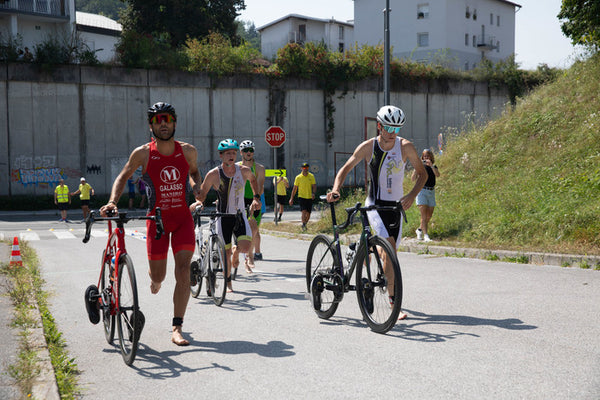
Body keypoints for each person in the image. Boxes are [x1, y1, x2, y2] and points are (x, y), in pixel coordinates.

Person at [100, 102, 202, 346]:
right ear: (151, 125)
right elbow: (123, 176)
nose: (163, 123)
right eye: (158, 120)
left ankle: (177, 327)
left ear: (174, 122)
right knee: (160, 276)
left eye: (167, 119)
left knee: (184, 270)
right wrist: (113, 201)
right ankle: (155, 279)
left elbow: (195, 172)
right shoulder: (143, 153)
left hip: (182, 219)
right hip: (156, 221)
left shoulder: (188, 151)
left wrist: (197, 188)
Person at [326, 105, 428, 320]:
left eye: (397, 129)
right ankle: (394, 304)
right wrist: (336, 189)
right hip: (374, 205)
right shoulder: (368, 147)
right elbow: (345, 168)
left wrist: (411, 195)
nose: (392, 133)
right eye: (388, 127)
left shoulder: (406, 147)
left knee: (390, 256)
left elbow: (422, 174)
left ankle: (359, 253)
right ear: (379, 126)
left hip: (396, 208)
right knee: (388, 252)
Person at [192, 139, 261, 291]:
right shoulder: (213, 174)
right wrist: (198, 203)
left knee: (245, 246)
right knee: (226, 253)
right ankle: (228, 282)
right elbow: (202, 195)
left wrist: (256, 198)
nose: (232, 155)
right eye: (228, 153)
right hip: (222, 218)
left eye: (234, 153)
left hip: (239, 215)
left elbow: (253, 180)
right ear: (221, 155)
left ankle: (237, 253)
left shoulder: (244, 171)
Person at [236, 140, 266, 271]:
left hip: (255, 199)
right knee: (239, 230)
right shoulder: (236, 166)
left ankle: (250, 256)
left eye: (251, 150)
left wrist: (256, 199)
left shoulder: (259, 168)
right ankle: (240, 255)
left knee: (253, 230)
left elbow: (259, 185)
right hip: (239, 199)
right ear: (241, 152)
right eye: (246, 150)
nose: (249, 153)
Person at [412, 148, 440, 242]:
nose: (426, 158)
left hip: (431, 192)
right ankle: (426, 235)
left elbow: (437, 175)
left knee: (429, 215)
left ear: (431, 157)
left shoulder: (434, 166)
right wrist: (417, 167)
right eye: (424, 156)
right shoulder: (420, 166)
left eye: (427, 156)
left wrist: (431, 166)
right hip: (421, 191)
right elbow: (413, 179)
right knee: (423, 216)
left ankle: (419, 230)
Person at [289, 162, 316, 231]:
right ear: (301, 168)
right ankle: (304, 225)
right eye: (304, 168)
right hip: (301, 196)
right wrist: (291, 198)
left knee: (308, 213)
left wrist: (313, 193)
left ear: (308, 168)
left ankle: (305, 223)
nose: (305, 169)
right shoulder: (298, 177)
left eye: (306, 168)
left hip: (309, 197)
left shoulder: (311, 176)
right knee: (303, 211)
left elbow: (314, 186)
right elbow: (294, 188)